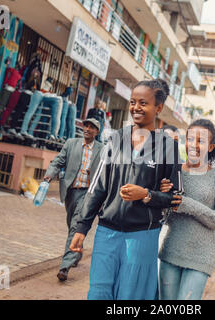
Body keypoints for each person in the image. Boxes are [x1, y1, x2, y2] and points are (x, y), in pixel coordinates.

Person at [68, 79, 181, 300]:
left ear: (158, 108)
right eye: (132, 102)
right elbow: (97, 188)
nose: (135, 108)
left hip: (143, 235)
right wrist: (81, 228)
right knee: (99, 291)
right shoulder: (115, 140)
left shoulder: (169, 147)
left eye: (143, 103)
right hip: (107, 232)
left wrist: (147, 195)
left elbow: (174, 197)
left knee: (131, 295)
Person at [157, 119, 215, 300]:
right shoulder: (173, 171)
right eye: (190, 139)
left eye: (201, 141)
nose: (194, 145)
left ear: (210, 147)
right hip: (171, 250)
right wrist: (162, 196)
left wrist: (186, 203)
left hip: (201, 257)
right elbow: (163, 216)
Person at [43, 119, 103, 281]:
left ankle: (65, 266)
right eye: (86, 126)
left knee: (76, 224)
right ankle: (77, 251)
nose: (88, 129)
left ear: (97, 132)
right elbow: (58, 161)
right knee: (72, 224)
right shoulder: (71, 143)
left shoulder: (102, 149)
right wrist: (49, 175)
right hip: (71, 192)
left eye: (92, 127)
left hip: (89, 194)